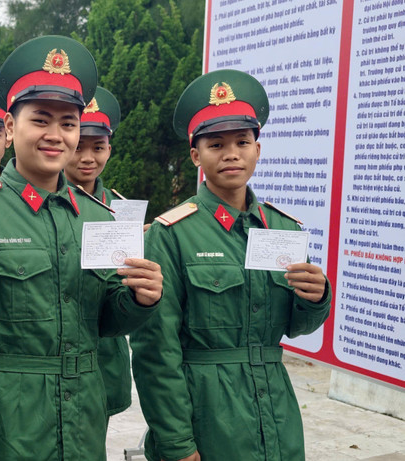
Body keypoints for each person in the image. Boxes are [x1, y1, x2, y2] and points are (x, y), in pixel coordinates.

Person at [0, 35, 164, 461]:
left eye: (68, 123)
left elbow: (103, 320)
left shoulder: (96, 217)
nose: (56, 135)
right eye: (41, 120)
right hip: (7, 429)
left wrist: (141, 299)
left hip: (82, 423)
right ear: (12, 127)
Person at [131, 69, 331, 461]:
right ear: (196, 155)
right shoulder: (172, 234)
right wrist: (176, 444)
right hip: (209, 418)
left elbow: (297, 326)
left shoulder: (283, 228)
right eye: (216, 144)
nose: (231, 153)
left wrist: (316, 298)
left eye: (242, 141)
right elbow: (156, 352)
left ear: (258, 148)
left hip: (276, 413)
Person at [62, 85, 132, 421]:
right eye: (81, 147)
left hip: (106, 355)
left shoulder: (122, 212)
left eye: (99, 147)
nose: (88, 158)